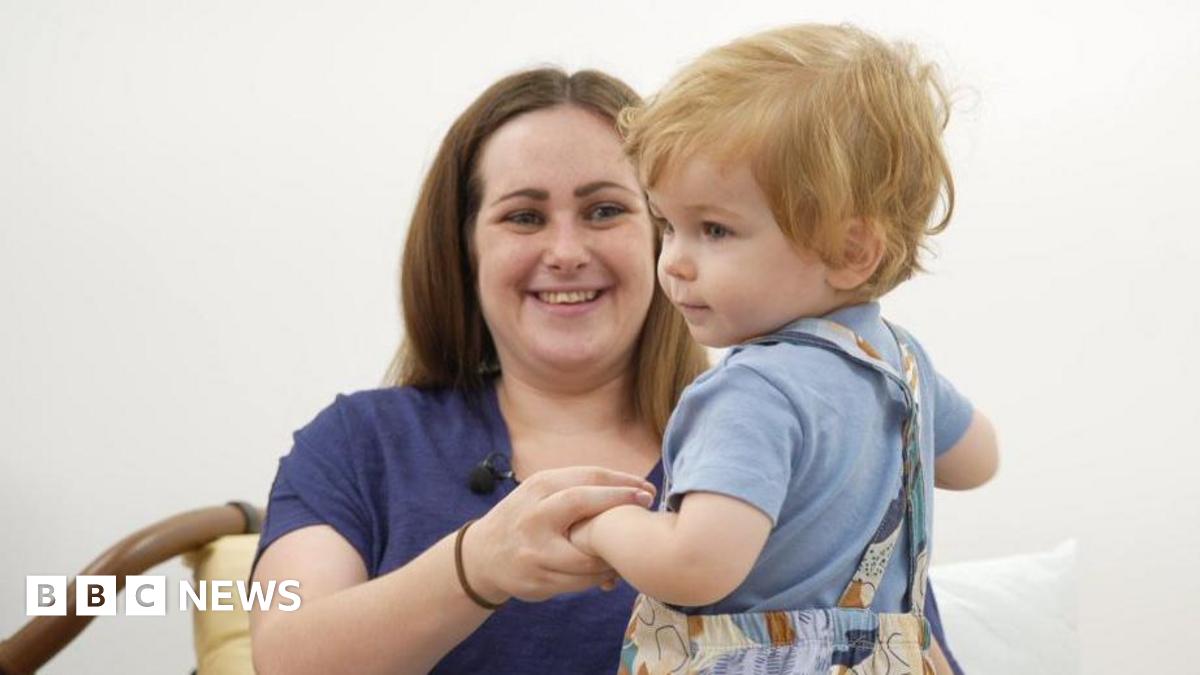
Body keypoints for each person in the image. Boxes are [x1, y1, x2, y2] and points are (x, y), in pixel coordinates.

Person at [248, 66, 968, 675]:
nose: (565, 250)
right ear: (462, 246)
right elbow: (284, 656)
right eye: (524, 217)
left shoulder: (793, 429)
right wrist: (477, 566)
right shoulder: (359, 442)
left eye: (604, 210)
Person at [564, 25, 999, 674]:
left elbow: (697, 563)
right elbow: (979, 460)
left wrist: (599, 526)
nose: (674, 262)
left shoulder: (752, 391)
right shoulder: (903, 366)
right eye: (667, 225)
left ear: (852, 252)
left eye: (714, 229)